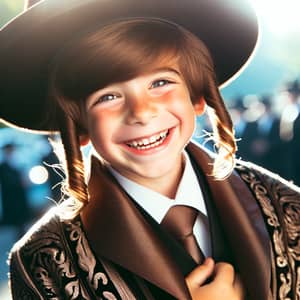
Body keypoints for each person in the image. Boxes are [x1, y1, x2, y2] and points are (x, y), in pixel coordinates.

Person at [0, 0, 299, 299]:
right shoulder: (42, 264)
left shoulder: (287, 207)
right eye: (108, 97)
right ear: (79, 127)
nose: (141, 112)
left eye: (160, 82)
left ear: (197, 96)